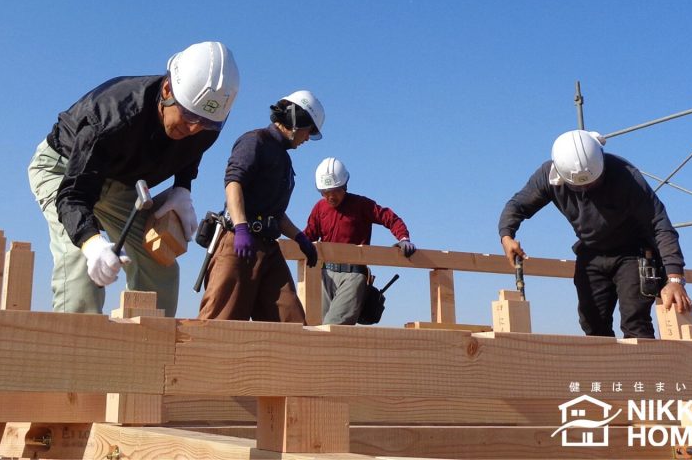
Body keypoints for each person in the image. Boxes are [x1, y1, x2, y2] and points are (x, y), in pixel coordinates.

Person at [28, 41, 240, 316]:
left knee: (159, 262)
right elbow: (74, 196)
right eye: (188, 116)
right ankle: (75, 351)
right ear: (167, 90)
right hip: (63, 168)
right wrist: (91, 243)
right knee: (79, 261)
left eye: (205, 123)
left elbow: (192, 149)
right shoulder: (110, 119)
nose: (193, 129)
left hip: (118, 180)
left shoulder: (206, 121)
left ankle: (151, 351)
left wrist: (182, 188)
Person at [498, 129, 692, 338]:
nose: (588, 188)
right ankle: (607, 370)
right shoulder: (548, 175)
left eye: (593, 181)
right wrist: (507, 236)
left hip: (632, 253)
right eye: (580, 185)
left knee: (635, 323)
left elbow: (659, 223)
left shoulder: (626, 176)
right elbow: (517, 205)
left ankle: (643, 369)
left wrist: (674, 279)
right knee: (592, 323)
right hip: (591, 253)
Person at [197, 90, 325, 323]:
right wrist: (242, 228)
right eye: (310, 131)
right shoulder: (255, 141)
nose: (308, 138)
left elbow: (275, 213)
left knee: (291, 322)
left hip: (267, 247)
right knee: (221, 324)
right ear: (298, 121)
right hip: (239, 245)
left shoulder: (284, 159)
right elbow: (233, 183)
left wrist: (300, 238)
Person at [303, 157, 416, 325]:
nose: (330, 196)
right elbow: (308, 235)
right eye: (325, 192)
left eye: (335, 191)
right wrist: (290, 243)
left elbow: (390, 218)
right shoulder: (320, 208)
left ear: (345, 186)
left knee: (333, 326)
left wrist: (403, 238)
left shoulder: (361, 205)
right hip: (325, 274)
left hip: (353, 274)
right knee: (315, 326)